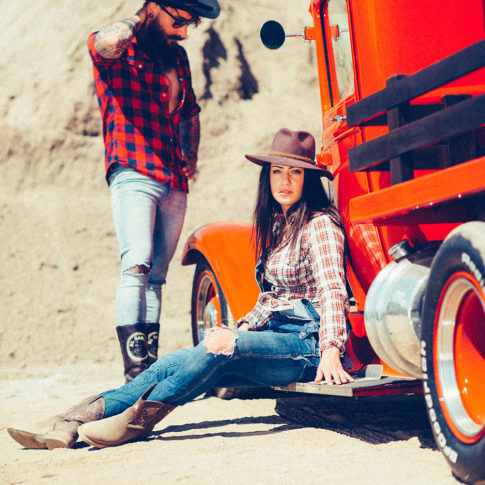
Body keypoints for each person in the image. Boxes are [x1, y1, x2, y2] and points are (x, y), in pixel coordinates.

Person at [7, 128, 354, 451]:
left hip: (308, 345)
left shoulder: (319, 224)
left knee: (219, 346)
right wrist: (244, 327)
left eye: (295, 172)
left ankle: (134, 423)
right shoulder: (279, 225)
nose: (285, 181)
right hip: (275, 338)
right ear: (268, 177)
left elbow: (332, 289)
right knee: (172, 362)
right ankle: (72, 418)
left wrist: (331, 349)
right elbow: (273, 297)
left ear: (308, 179)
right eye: (277, 171)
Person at [87, 0, 220, 382]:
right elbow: (105, 43)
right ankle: (134, 372)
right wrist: (139, 17)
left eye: (189, 25)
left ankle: (149, 367)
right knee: (137, 264)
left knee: (157, 276)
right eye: (178, 20)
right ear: (152, 8)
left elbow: (190, 111)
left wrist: (189, 157)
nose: (183, 32)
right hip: (133, 170)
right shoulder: (118, 52)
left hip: (173, 180)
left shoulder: (177, 57)